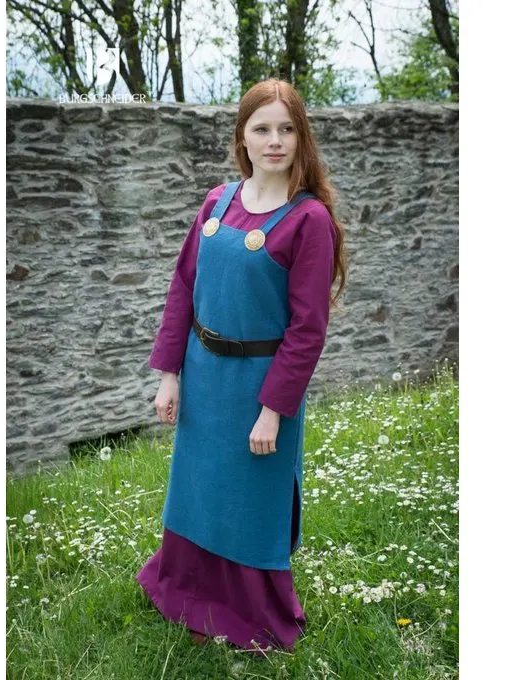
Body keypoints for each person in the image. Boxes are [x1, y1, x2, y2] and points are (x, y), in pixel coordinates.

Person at [136, 78, 348, 655]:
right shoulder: (217, 202)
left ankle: (249, 611)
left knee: (250, 499)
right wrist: (170, 374)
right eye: (262, 129)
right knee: (198, 489)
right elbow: (184, 288)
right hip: (203, 378)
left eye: (287, 129)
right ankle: (183, 588)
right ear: (243, 137)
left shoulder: (308, 221)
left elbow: (307, 330)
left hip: (259, 388)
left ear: (301, 139)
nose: (275, 140)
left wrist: (273, 410)